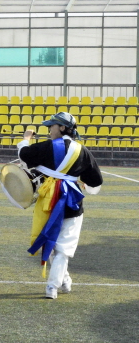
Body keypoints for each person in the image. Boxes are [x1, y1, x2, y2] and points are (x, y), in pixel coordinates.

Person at [17, 112, 102, 299]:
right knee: (65, 246)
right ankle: (54, 285)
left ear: (62, 128)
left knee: (53, 243)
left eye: (52, 126)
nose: (49, 130)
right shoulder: (83, 151)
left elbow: (24, 155)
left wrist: (25, 139)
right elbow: (95, 180)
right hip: (72, 202)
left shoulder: (47, 147)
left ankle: (60, 283)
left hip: (48, 201)